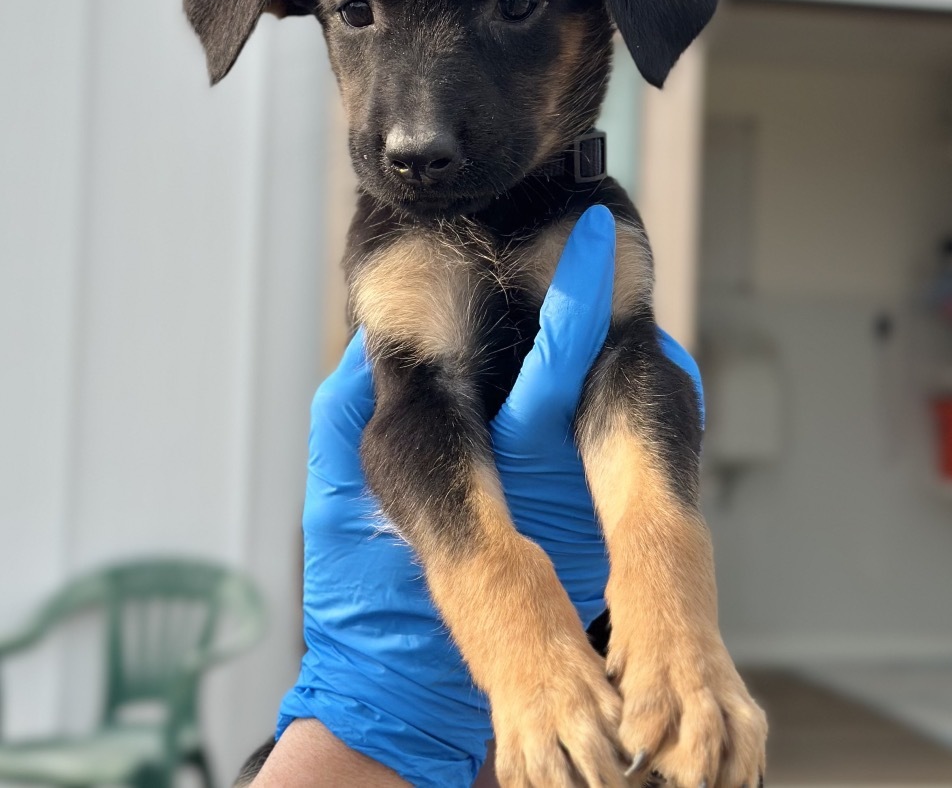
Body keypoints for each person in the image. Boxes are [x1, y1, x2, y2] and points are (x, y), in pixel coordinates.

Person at [251, 206, 703, 788]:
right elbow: (418, 413)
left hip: (600, 678)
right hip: (479, 642)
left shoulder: (597, 218)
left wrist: (673, 608)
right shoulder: (396, 233)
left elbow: (635, 402)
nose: (411, 135)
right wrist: (383, 702)